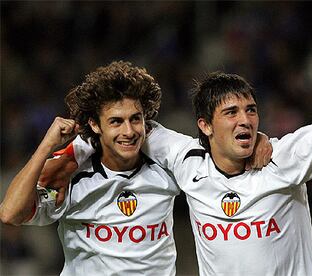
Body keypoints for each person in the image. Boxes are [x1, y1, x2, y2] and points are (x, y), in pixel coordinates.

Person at [37, 1, 312, 275]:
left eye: (251, 111)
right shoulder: (185, 162)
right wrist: (70, 155)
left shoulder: (284, 158)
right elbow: (123, 129)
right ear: (204, 125)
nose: (245, 120)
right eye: (231, 113)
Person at [0, 61, 182, 275]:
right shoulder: (70, 174)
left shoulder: (167, 167)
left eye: (135, 119)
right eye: (116, 121)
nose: (129, 131)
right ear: (95, 125)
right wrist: (46, 146)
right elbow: (10, 214)